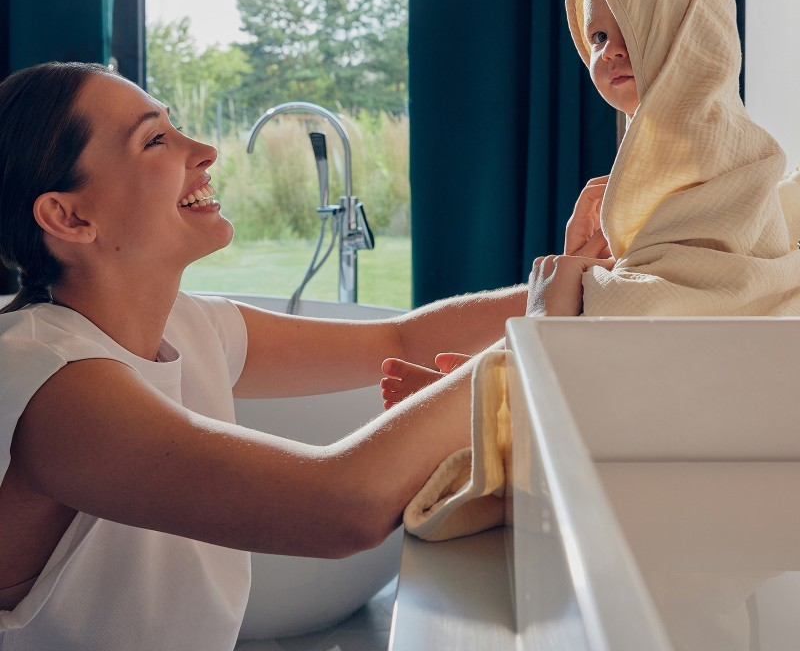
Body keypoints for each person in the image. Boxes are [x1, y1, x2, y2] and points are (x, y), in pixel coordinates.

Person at [0, 60, 531, 650]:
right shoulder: (50, 381)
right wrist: (519, 371)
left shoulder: (191, 326)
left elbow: (397, 341)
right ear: (69, 216)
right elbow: (341, 505)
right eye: (154, 140)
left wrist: (575, 281)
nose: (205, 151)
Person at [382, 0, 800, 406]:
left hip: (724, 315)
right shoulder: (647, 148)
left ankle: (479, 387)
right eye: (598, 36)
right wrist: (591, 265)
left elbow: (698, 274)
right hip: (674, 306)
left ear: (691, 37)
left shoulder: (716, 139)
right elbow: (655, 257)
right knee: (570, 282)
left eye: (635, 29)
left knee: (591, 293)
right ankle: (482, 379)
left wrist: (588, 278)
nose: (611, 51)